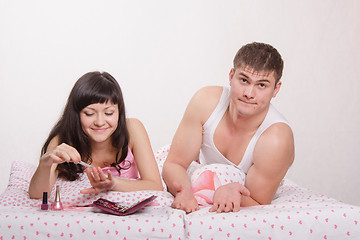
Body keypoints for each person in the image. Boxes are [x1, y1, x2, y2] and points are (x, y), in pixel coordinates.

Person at [162, 42, 295, 213]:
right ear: (231, 76)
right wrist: (184, 191)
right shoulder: (206, 101)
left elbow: (258, 201)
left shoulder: (276, 138)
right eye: (244, 80)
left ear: (276, 89)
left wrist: (236, 193)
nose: (249, 93)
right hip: (200, 181)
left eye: (261, 85)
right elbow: (174, 163)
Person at [29, 71, 163, 199]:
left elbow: (155, 185)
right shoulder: (62, 140)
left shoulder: (133, 129)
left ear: (119, 112)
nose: (100, 122)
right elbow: (37, 194)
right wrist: (45, 163)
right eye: (89, 113)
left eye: (109, 113)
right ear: (76, 115)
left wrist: (114, 184)